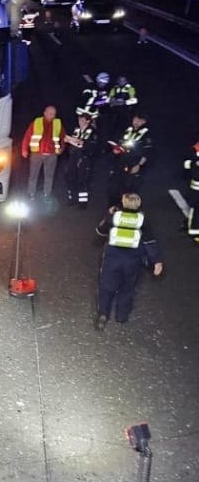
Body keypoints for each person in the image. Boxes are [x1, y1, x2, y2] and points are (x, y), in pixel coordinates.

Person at [94, 193, 163, 330]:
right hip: (132, 260)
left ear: (124, 204)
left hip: (112, 258)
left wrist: (108, 215)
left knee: (107, 287)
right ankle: (121, 316)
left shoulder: (115, 217)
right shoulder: (142, 220)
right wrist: (156, 261)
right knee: (127, 289)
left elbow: (100, 231)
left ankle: (103, 315)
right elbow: (149, 242)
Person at [106, 111, 153, 208]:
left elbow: (148, 152)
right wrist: (116, 151)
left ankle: (128, 210)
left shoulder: (147, 135)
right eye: (135, 119)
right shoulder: (128, 130)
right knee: (114, 187)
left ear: (144, 122)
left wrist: (139, 165)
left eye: (139, 120)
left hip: (134, 164)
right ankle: (113, 208)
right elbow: (121, 143)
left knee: (130, 190)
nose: (136, 122)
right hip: (121, 162)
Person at [21, 105, 64, 200]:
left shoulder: (57, 123)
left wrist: (62, 148)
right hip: (37, 154)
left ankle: (46, 194)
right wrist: (24, 149)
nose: (52, 116)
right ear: (45, 113)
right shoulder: (36, 122)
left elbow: (62, 137)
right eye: (50, 114)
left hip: (51, 154)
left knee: (49, 176)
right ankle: (31, 193)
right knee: (33, 175)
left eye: (54, 114)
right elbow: (27, 136)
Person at [63, 111, 101, 208]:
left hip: (84, 158)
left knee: (82, 179)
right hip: (73, 156)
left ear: (88, 121)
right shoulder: (76, 129)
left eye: (83, 120)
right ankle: (72, 198)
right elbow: (72, 139)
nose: (80, 122)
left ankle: (82, 202)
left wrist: (80, 142)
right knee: (70, 177)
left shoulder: (92, 132)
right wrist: (68, 140)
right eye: (79, 119)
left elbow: (91, 145)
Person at [183, 139, 199, 244]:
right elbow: (187, 164)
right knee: (196, 210)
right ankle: (195, 233)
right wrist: (195, 164)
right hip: (197, 187)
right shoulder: (196, 148)